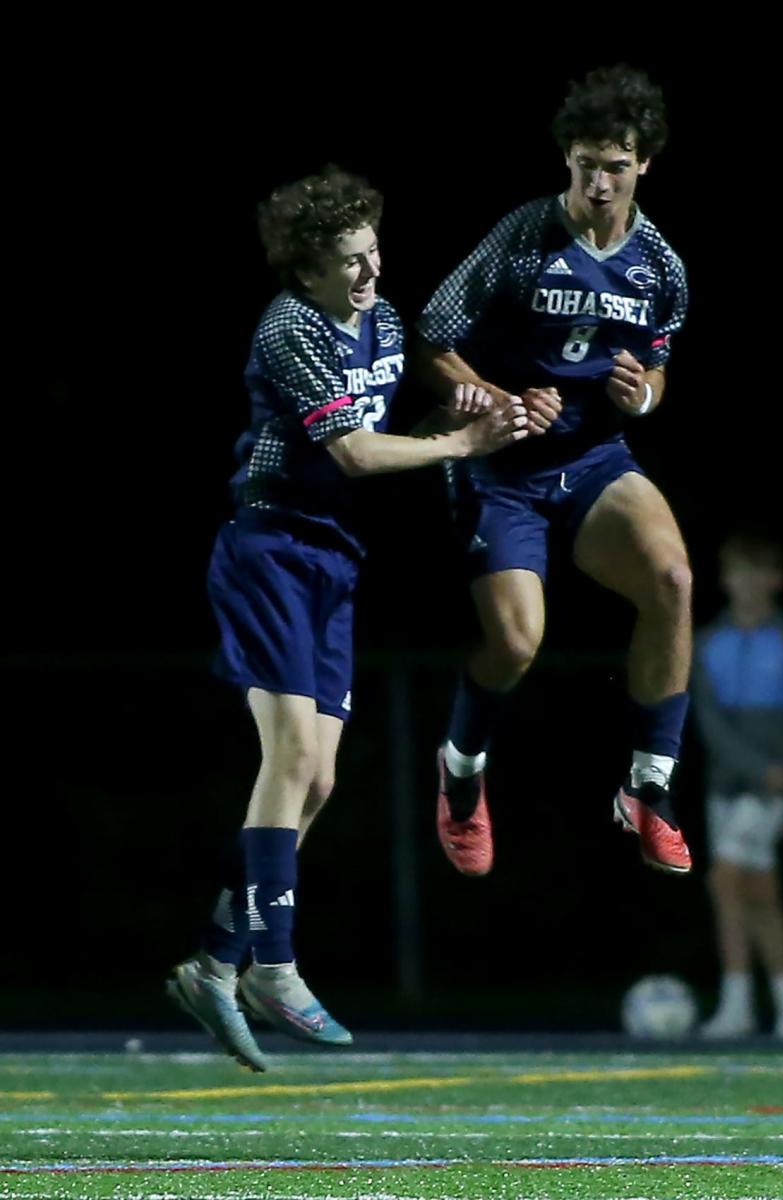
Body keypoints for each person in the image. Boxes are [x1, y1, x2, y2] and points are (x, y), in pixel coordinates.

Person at [167, 167, 527, 1071]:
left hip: (334, 557)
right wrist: (458, 443)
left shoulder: (385, 315)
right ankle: (273, 966)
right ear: (307, 270)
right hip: (270, 547)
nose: (370, 273)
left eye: (373, 252)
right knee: (290, 755)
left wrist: (478, 410)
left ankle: (216, 960)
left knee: (318, 781)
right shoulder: (288, 329)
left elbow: (404, 418)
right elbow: (358, 451)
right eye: (350, 262)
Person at [415, 65, 693, 878]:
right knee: (517, 642)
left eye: (616, 164)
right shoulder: (522, 238)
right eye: (585, 165)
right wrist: (496, 401)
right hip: (501, 467)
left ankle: (649, 785)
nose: (599, 183)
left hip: (593, 458)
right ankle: (462, 769)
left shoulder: (661, 268)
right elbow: (431, 340)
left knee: (672, 579)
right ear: (565, 161)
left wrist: (643, 396)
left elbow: (661, 367)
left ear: (644, 164)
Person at [692, 531, 783, 1040]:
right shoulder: (708, 642)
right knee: (755, 894)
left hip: (775, 785)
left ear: (776, 580)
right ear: (725, 581)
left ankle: (738, 1001)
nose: (745, 584)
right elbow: (709, 719)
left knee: (723, 880)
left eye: (756, 573)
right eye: (737, 573)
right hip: (728, 783)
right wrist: (750, 766)